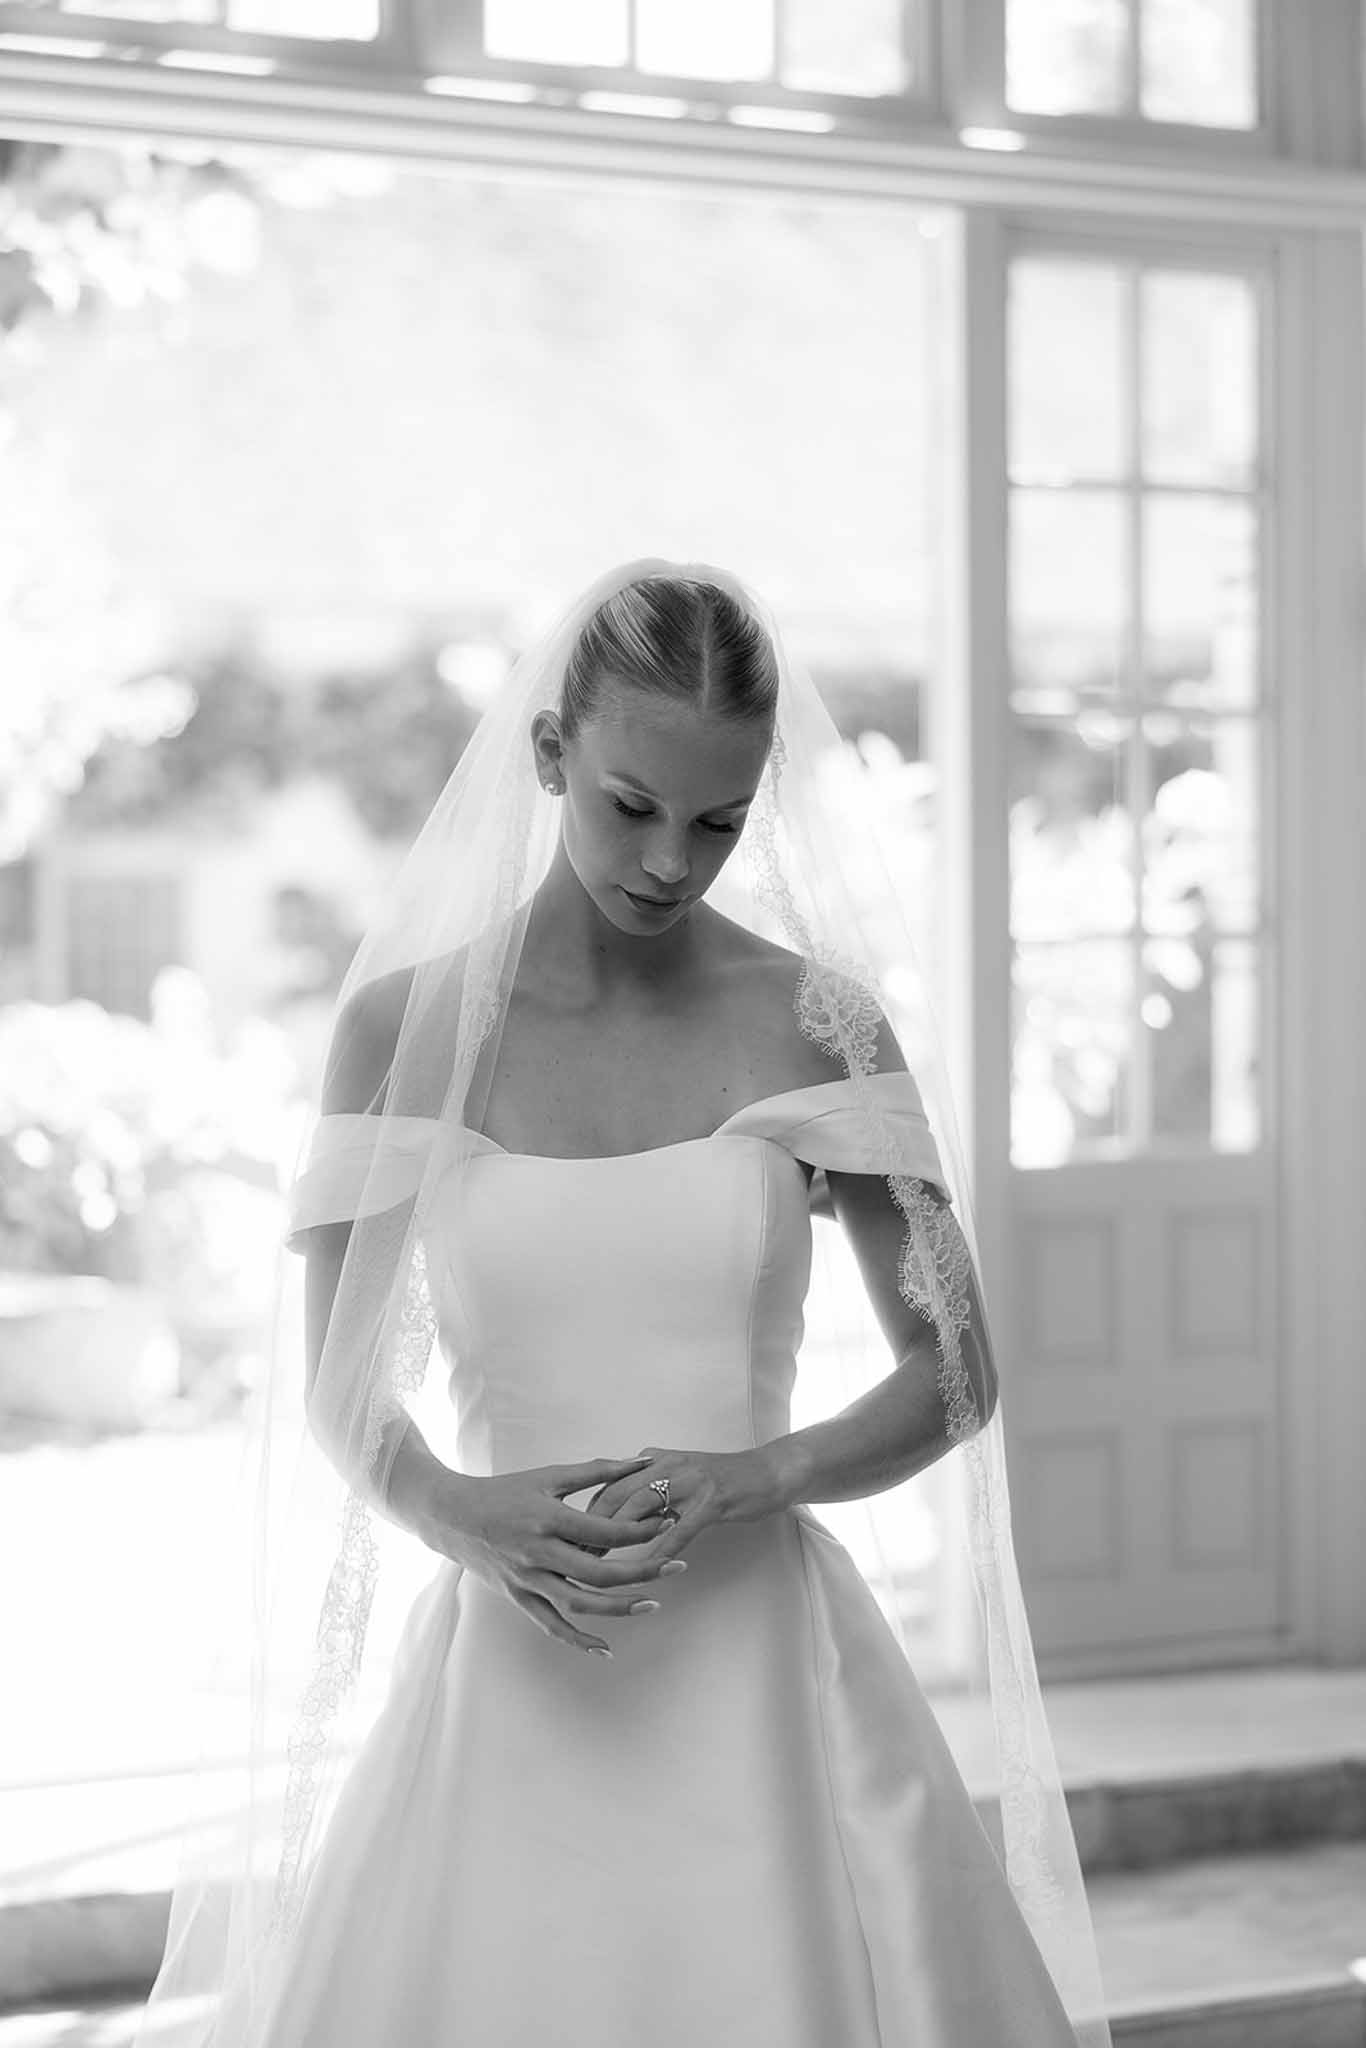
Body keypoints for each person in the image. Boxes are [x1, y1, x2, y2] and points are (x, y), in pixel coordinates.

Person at [133, 560, 1112, 2046]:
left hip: (769, 1692)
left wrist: (758, 1476)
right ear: (547, 759)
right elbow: (337, 1380)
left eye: (717, 822)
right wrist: (461, 1513)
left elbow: (958, 1366)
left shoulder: (817, 1022)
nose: (669, 860)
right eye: (629, 806)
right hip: (514, 1686)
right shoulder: (400, 1029)